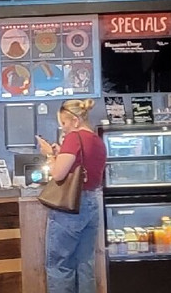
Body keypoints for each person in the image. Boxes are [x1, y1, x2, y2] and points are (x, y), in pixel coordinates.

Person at [36, 99, 107, 293]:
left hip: (70, 207)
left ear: (75, 120)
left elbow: (58, 174)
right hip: (91, 204)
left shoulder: (74, 138)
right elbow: (83, 165)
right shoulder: (97, 140)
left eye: (64, 123)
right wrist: (61, 153)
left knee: (60, 265)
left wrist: (49, 155)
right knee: (85, 264)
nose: (63, 128)